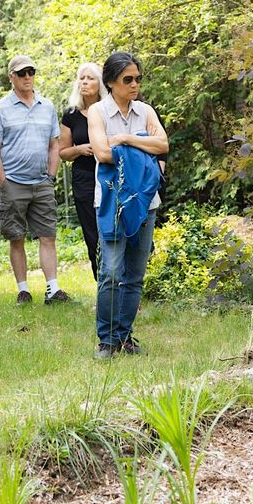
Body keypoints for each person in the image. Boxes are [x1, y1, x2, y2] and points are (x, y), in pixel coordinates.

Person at [89, 51, 169, 359]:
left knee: (134, 274)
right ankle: (106, 340)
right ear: (111, 82)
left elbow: (163, 145)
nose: (135, 84)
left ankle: (124, 337)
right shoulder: (97, 112)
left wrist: (125, 138)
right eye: (128, 79)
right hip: (111, 201)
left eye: (138, 78)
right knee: (110, 271)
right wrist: (141, 146)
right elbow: (102, 153)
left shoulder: (145, 110)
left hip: (147, 203)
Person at [0, 54, 71, 306]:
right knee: (16, 237)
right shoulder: (1, 108)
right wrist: (3, 182)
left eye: (31, 72)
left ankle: (52, 290)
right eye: (21, 73)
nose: (27, 77)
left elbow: (54, 145)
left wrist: (51, 176)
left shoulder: (47, 106)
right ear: (11, 77)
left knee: (48, 236)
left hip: (42, 182)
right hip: (13, 183)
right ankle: (23, 290)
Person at [59, 62, 108, 280]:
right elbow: (63, 152)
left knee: (114, 230)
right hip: (84, 179)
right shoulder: (71, 115)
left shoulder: (110, 110)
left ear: (101, 84)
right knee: (92, 234)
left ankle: (124, 286)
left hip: (110, 175)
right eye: (82, 78)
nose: (84, 82)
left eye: (90, 78)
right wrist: (79, 149)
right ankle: (102, 287)